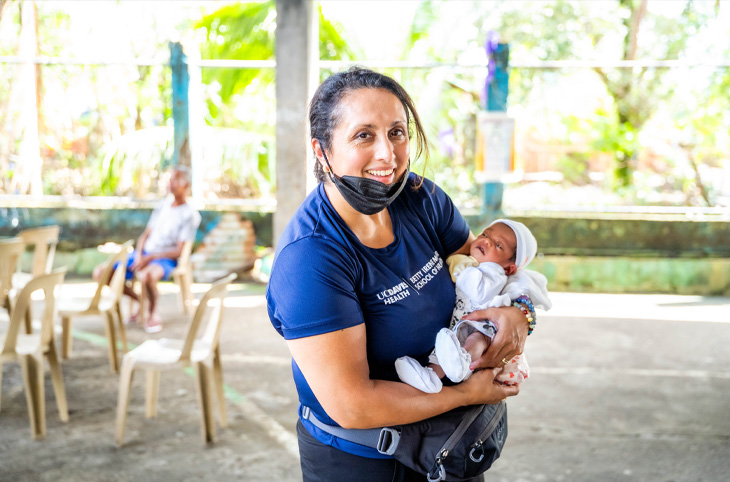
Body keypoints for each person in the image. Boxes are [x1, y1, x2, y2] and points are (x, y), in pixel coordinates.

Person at [266, 67, 533, 482]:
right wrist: (466, 393)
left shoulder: (420, 199)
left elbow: (484, 276)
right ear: (322, 151)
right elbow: (353, 405)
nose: (388, 155)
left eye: (396, 132)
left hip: (448, 445)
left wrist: (520, 315)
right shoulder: (310, 258)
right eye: (363, 135)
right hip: (361, 460)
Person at [395, 219, 552, 393]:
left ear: (509, 269)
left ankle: (461, 365)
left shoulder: (495, 273)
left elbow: (479, 292)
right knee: (445, 349)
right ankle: (430, 376)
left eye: (498, 245)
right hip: (464, 321)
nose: (486, 241)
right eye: (485, 234)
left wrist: (463, 269)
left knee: (475, 341)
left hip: (484, 327)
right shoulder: (477, 264)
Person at [93, 165, 201, 333]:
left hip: (165, 258)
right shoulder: (162, 205)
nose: (170, 183)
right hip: (143, 254)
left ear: (186, 185)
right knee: (101, 273)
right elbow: (144, 235)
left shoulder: (190, 215)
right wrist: (139, 255)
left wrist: (150, 258)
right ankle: (139, 301)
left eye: (175, 179)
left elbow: (180, 251)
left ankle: (152, 313)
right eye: (170, 179)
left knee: (148, 275)